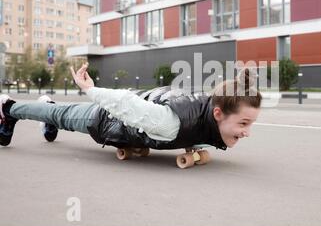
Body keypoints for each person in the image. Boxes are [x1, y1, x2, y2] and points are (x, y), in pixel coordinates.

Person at [0, 64, 262, 153]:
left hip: (129, 115)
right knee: (62, 115)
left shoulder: (210, 111)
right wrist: (90, 90)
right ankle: (9, 108)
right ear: (219, 114)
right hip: (107, 118)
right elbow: (125, 104)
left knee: (59, 113)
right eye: (243, 123)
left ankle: (49, 110)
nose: (248, 132)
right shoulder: (170, 124)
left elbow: (199, 126)